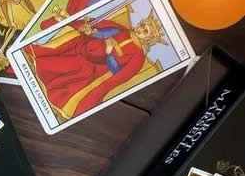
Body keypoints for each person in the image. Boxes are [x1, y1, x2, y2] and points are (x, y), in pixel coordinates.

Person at [25, 10, 167, 117]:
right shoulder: (122, 30)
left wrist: (109, 53)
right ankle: (35, 56)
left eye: (145, 31)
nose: (140, 29)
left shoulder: (138, 58)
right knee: (72, 39)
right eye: (142, 25)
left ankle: (38, 66)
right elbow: (103, 33)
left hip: (93, 69)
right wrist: (91, 31)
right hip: (82, 47)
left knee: (76, 65)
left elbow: (118, 74)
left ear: (149, 39)